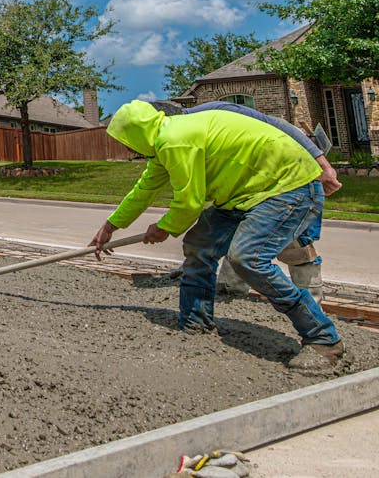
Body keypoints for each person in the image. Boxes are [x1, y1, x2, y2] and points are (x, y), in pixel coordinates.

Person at [91, 100, 344, 370]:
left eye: (125, 140)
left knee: (248, 258)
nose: (127, 148)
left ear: (135, 133)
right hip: (243, 194)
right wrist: (110, 226)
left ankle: (323, 338)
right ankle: (196, 323)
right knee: (200, 245)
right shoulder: (165, 142)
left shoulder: (175, 139)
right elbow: (143, 191)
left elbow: (189, 203)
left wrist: (163, 227)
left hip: (287, 187)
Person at [152, 100, 339, 299]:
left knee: (295, 243)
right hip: (251, 180)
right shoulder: (187, 141)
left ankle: (310, 300)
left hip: (292, 168)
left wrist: (324, 166)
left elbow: (281, 126)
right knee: (236, 231)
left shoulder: (219, 111)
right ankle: (230, 289)